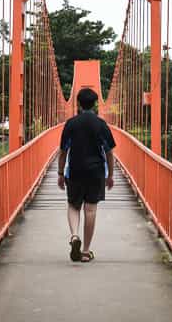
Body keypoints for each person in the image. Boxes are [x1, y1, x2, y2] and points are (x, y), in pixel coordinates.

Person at [57, 87, 115, 263]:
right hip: (96, 171)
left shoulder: (71, 124)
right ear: (95, 103)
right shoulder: (101, 124)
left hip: (75, 170)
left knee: (73, 205)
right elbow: (109, 153)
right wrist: (110, 175)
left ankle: (74, 236)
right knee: (90, 209)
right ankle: (85, 251)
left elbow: (63, 151)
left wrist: (60, 173)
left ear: (79, 104)